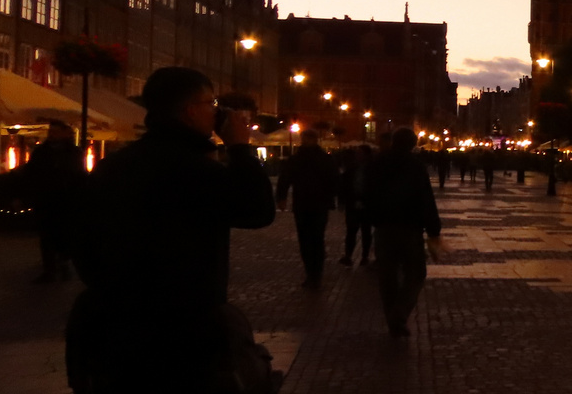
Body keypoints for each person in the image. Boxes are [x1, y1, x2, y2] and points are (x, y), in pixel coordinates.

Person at [68, 67, 276, 394]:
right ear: (190, 110)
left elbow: (80, 237)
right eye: (211, 102)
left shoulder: (116, 165)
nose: (217, 111)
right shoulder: (194, 170)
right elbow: (258, 210)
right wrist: (238, 148)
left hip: (114, 331)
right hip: (184, 336)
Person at [367, 128, 442, 338]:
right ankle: (399, 314)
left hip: (383, 227)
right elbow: (426, 198)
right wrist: (433, 229)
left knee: (387, 276)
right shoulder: (416, 166)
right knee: (416, 273)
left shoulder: (378, 163)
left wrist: (371, 218)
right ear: (412, 144)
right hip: (410, 228)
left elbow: (367, 192)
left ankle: (392, 316)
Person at [25, 119, 85, 283]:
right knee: (46, 236)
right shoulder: (41, 152)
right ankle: (49, 269)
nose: (52, 135)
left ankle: (63, 262)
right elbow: (32, 173)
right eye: (50, 132)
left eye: (56, 131)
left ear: (65, 133)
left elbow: (78, 175)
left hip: (65, 201)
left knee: (64, 235)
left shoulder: (73, 152)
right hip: (46, 200)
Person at [277, 129, 339, 288]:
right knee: (316, 239)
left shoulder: (298, 158)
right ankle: (315, 274)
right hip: (318, 204)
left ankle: (312, 274)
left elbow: (285, 178)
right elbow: (334, 181)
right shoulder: (324, 158)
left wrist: (281, 197)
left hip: (304, 204)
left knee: (307, 240)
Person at [338, 144, 375, 267]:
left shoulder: (371, 169)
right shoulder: (351, 168)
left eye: (360, 153)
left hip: (367, 204)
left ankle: (364, 256)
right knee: (351, 231)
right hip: (352, 203)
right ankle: (348, 255)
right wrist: (342, 201)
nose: (358, 155)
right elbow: (344, 186)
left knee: (366, 232)